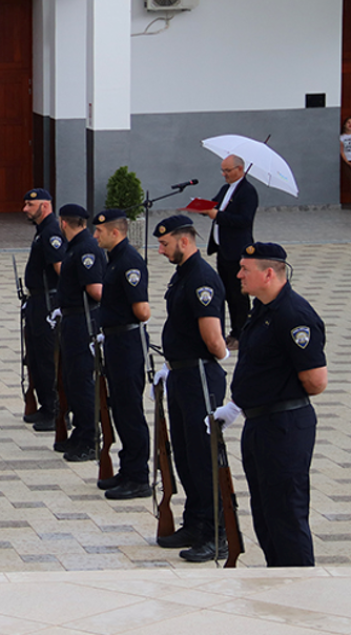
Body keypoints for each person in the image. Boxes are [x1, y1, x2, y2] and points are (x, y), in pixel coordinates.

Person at [211, 242, 327, 567]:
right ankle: (278, 579)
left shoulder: (294, 315)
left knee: (286, 515)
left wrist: (276, 393)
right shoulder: (261, 309)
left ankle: (300, 590)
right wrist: (237, 405)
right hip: (260, 423)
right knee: (265, 514)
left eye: (244, 269)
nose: (238, 275)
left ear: (269, 273)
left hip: (285, 426)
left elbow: (316, 381)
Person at [151, 214, 230, 562]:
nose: (160, 250)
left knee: (203, 456)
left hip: (199, 374)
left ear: (184, 241)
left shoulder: (201, 278)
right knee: (183, 452)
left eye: (165, 244)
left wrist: (222, 356)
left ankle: (218, 531)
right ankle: (196, 521)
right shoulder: (182, 274)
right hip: (182, 374)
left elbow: (213, 337)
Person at [91, 209, 151, 500]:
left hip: (127, 342)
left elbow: (142, 310)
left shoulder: (129, 262)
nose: (95, 236)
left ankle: (139, 476)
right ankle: (128, 469)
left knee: (129, 410)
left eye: (99, 232)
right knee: (119, 408)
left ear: (115, 232)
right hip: (115, 340)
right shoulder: (114, 259)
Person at [50, 204, 104, 463]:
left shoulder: (85, 249)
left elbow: (95, 289)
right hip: (71, 319)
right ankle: (81, 433)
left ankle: (90, 437)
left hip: (83, 320)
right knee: (71, 379)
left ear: (63, 223)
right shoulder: (77, 245)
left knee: (82, 381)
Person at [21, 189, 65, 432]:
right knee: (36, 357)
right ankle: (46, 406)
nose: (25, 209)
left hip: (48, 303)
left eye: (30, 204)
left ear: (45, 206)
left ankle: (56, 409)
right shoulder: (42, 231)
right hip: (37, 302)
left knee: (48, 357)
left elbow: (61, 269)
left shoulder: (51, 232)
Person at [204, 155, 258, 350]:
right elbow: (215, 204)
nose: (224, 174)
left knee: (238, 294)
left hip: (237, 250)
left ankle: (241, 332)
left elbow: (243, 220)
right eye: (222, 170)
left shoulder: (248, 192)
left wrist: (218, 215)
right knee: (225, 292)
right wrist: (203, 207)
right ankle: (231, 331)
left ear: (240, 169)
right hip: (222, 249)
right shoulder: (226, 189)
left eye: (227, 171)